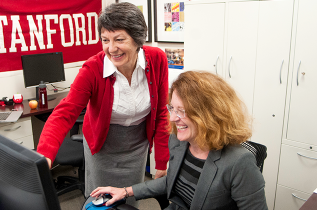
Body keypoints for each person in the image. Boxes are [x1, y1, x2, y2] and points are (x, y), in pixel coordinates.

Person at [36, 2, 170, 207]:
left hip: (137, 147)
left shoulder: (157, 59)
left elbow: (161, 112)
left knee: (129, 200)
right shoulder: (92, 69)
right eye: (105, 40)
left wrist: (161, 159)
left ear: (137, 39)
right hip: (102, 148)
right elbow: (65, 112)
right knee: (100, 204)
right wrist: (45, 154)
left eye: (119, 40)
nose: (111, 48)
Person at [90, 71, 268, 210]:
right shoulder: (178, 141)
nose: (173, 118)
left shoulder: (239, 163)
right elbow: (172, 181)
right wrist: (125, 191)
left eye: (181, 111)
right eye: (172, 109)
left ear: (209, 115)